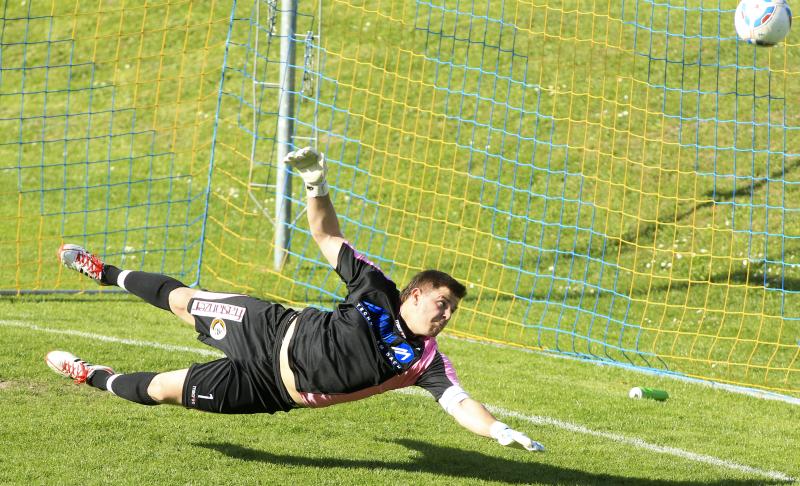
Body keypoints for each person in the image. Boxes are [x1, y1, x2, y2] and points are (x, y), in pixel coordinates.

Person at [45, 146, 544, 452]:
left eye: (452, 309)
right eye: (442, 304)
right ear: (414, 295)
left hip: (269, 389)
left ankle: (91, 375)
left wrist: (497, 430)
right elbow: (328, 237)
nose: (447, 315)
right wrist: (315, 183)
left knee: (160, 390)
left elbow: (459, 403)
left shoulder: (425, 362)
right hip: (267, 327)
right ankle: (105, 271)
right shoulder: (375, 287)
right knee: (182, 300)